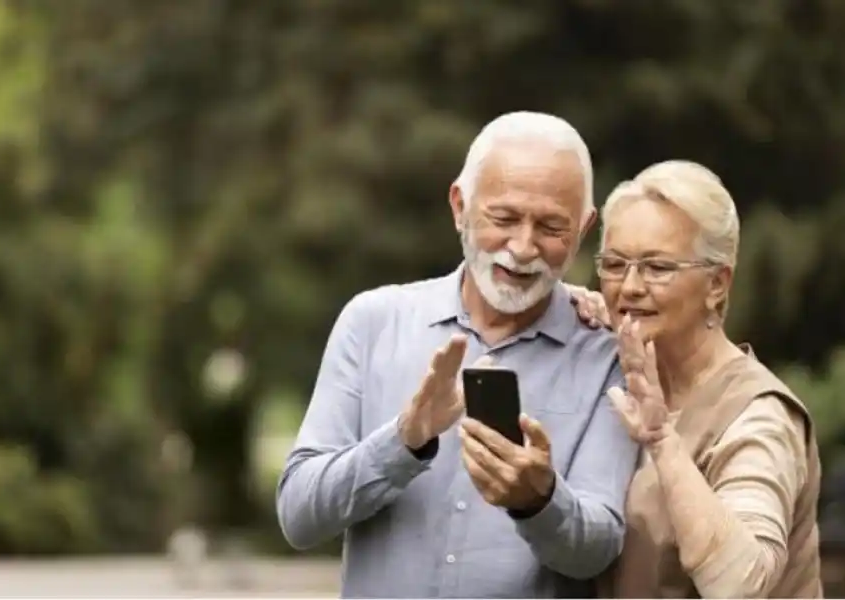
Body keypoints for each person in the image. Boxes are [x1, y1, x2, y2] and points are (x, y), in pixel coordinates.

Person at [276, 111, 639, 598]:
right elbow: (299, 517)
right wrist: (403, 441)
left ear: (584, 227)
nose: (523, 247)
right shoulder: (373, 323)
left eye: (552, 226)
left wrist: (540, 500)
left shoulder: (605, 355)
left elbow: (599, 549)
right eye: (503, 219)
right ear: (459, 207)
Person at [567, 160, 822, 598]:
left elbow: (742, 584)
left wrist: (662, 441)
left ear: (717, 284)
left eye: (657, 267)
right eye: (615, 264)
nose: (629, 286)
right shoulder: (617, 369)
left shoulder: (759, 415)